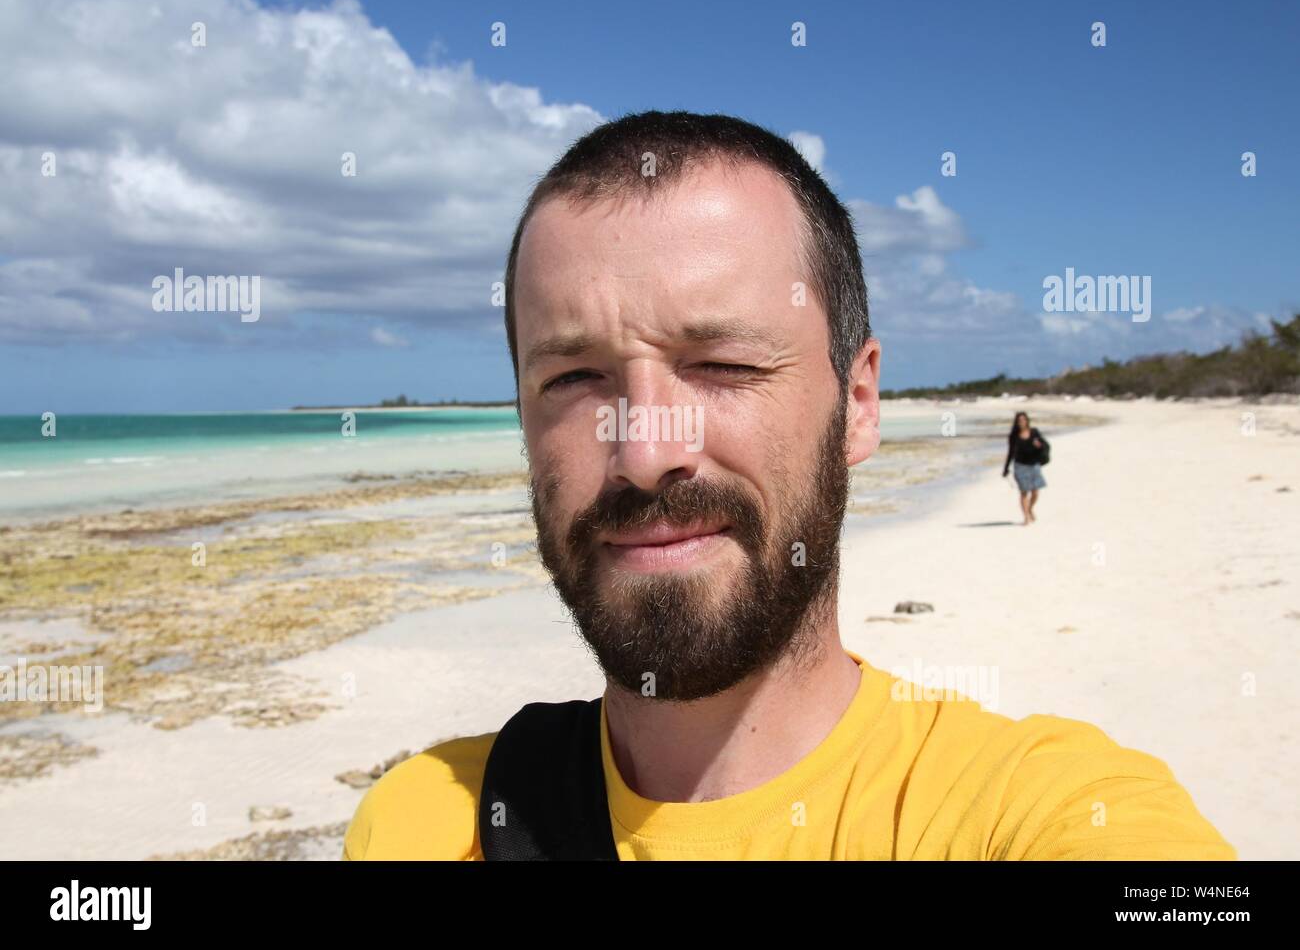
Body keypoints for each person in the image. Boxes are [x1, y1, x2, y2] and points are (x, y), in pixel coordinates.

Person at [343, 111, 1234, 860]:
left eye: (722, 363)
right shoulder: (432, 820)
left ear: (856, 402)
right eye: (574, 378)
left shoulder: (1046, 810)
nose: (645, 453)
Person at [1002, 411, 1047, 525]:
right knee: (1023, 492)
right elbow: (1010, 453)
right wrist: (1006, 468)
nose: (1021, 422)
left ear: (1027, 421)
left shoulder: (1034, 432)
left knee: (1035, 492)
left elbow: (1044, 445)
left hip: (1034, 465)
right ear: (1016, 422)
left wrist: (1040, 445)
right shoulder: (1013, 436)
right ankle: (1026, 517)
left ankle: (1030, 508)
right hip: (1020, 466)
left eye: (1023, 420)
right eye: (1019, 420)